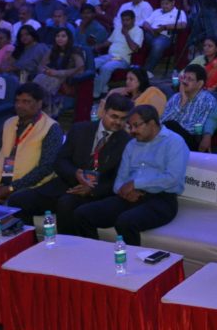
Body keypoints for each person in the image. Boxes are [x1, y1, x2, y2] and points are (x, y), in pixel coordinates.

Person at [11, 94, 133, 234]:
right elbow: (60, 161)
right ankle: (30, 242)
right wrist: (75, 173)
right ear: (104, 111)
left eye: (123, 119)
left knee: (67, 203)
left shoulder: (127, 143)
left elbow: (118, 179)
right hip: (65, 183)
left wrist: (92, 190)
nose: (118, 122)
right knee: (17, 200)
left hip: (93, 193)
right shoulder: (80, 129)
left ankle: (66, 247)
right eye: (114, 116)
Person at [74, 105, 188, 246]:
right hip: (127, 195)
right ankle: (94, 254)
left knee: (125, 221)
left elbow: (172, 179)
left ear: (152, 123)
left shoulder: (174, 142)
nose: (132, 131)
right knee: (82, 214)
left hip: (162, 199)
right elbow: (119, 181)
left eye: (136, 125)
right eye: (130, 126)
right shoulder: (132, 145)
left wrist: (135, 184)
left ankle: (130, 260)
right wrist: (125, 192)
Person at [0, 83, 63, 210]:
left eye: (26, 102)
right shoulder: (9, 123)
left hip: (31, 185)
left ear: (39, 103)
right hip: (0, 181)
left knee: (15, 200)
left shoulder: (51, 128)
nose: (19, 105)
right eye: (17, 101)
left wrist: (12, 188)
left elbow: (46, 167)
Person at [160, 64, 217, 150]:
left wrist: (174, 127)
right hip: (169, 136)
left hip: (192, 140)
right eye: (184, 78)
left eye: (190, 79)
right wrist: (182, 103)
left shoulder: (207, 100)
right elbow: (162, 121)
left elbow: (197, 129)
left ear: (200, 84)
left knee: (171, 125)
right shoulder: (176, 97)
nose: (184, 81)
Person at [30, 29, 84, 117]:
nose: (60, 38)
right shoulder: (53, 50)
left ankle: (48, 111)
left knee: (50, 82)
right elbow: (41, 66)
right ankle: (36, 109)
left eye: (63, 36)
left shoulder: (75, 50)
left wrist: (58, 73)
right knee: (39, 78)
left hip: (66, 78)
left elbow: (80, 69)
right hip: (51, 74)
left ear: (69, 38)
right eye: (57, 36)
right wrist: (46, 71)